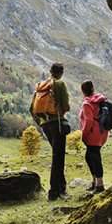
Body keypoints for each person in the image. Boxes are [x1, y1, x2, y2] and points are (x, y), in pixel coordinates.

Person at [29, 62, 71, 201]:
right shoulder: (59, 84)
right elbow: (66, 105)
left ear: (50, 71)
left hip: (46, 125)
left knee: (57, 156)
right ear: (61, 73)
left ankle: (61, 187)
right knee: (58, 158)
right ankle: (54, 192)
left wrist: (42, 123)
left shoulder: (41, 86)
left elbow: (32, 109)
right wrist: (61, 111)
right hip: (57, 123)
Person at [79, 80, 109, 194]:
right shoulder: (100, 100)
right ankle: (95, 182)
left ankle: (100, 185)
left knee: (95, 158)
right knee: (89, 157)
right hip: (102, 132)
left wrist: (84, 134)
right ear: (93, 88)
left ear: (83, 91)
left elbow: (88, 121)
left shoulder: (87, 104)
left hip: (92, 134)